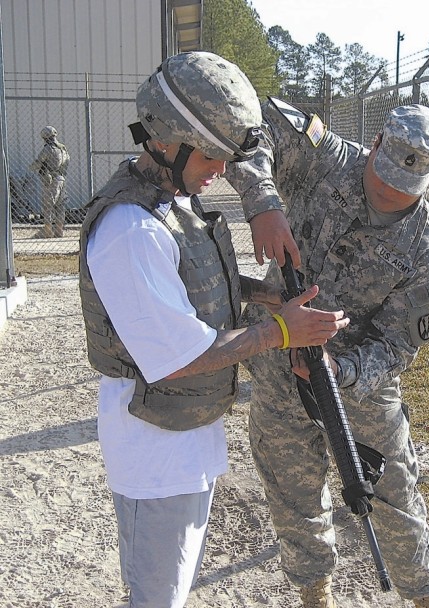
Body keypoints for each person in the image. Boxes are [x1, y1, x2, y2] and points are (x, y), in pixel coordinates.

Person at [77, 52, 349, 608]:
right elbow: (176, 357)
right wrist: (280, 330)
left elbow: (185, 287)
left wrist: (262, 293)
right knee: (159, 597)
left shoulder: (171, 204)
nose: (220, 170)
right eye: (209, 154)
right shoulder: (132, 229)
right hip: (154, 448)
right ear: (163, 140)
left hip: (183, 436)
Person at [226, 99, 429, 608]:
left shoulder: (424, 248)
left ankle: (425, 598)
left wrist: (342, 370)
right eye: (382, 180)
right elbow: (249, 122)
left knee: (393, 495)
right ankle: (316, 596)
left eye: (403, 191)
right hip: (279, 361)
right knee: (291, 493)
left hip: (356, 385)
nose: (388, 195)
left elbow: (398, 345)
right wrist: (264, 203)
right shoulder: (324, 157)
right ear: (373, 145)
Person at [30, 125, 70, 238]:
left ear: (45, 137)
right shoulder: (63, 149)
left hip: (51, 180)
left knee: (48, 206)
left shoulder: (48, 149)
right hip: (62, 179)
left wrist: (32, 167)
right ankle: (59, 231)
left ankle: (47, 230)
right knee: (60, 206)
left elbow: (38, 162)